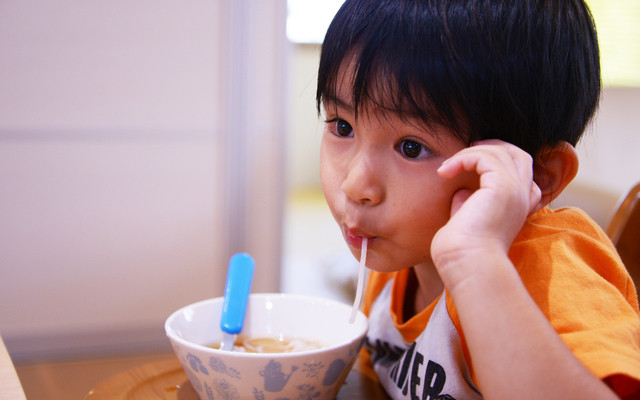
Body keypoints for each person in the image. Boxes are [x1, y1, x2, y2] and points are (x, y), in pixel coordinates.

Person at [315, 0, 640, 399]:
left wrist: (476, 263)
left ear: (538, 174)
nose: (354, 185)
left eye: (412, 148)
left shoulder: (552, 268)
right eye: (342, 126)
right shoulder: (395, 257)